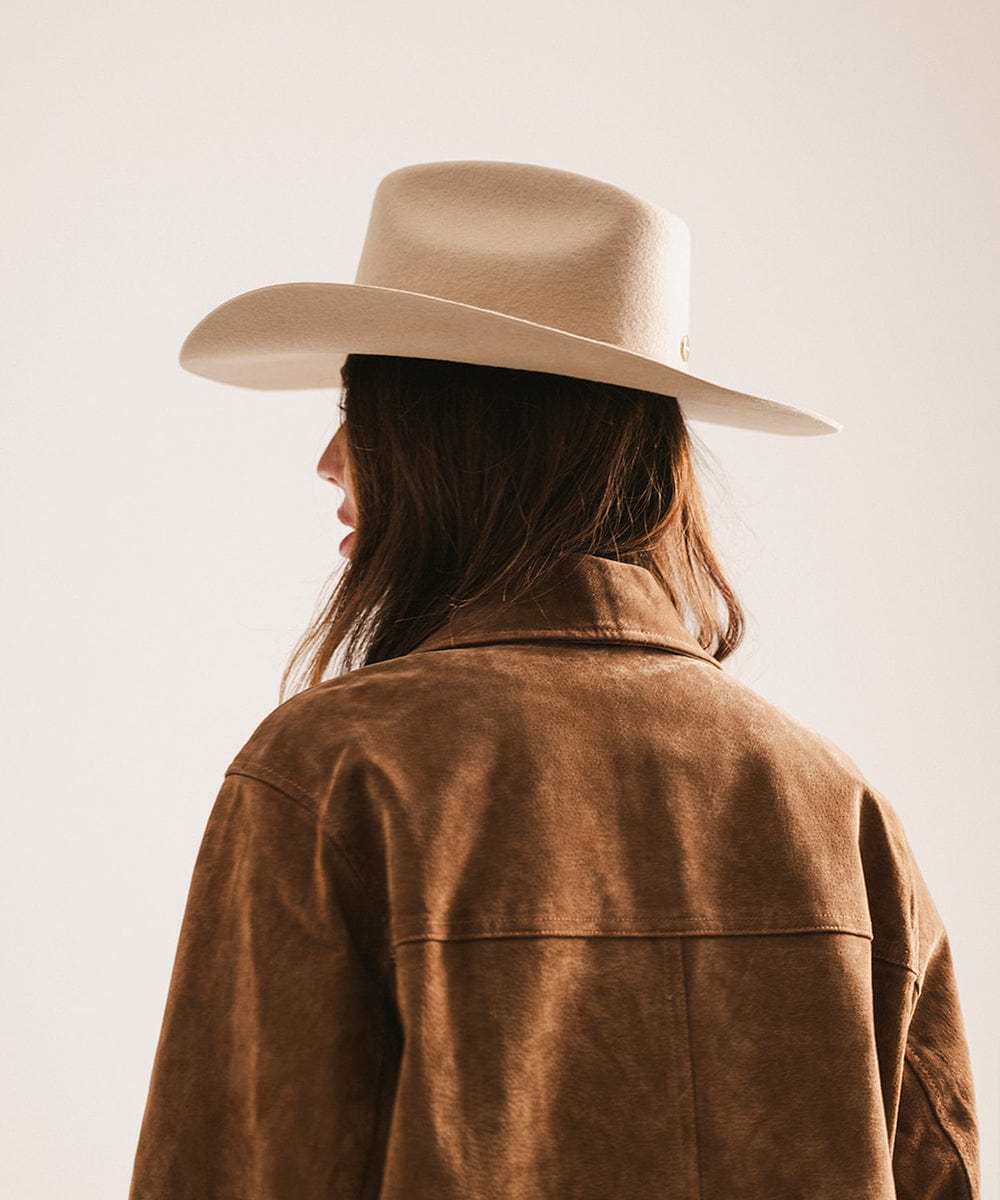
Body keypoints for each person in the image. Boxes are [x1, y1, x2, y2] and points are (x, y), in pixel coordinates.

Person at [128, 161, 980, 1199]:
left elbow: (236, 1172)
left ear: (457, 435)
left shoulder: (335, 772)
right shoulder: (836, 809)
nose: (329, 457)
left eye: (362, 406)